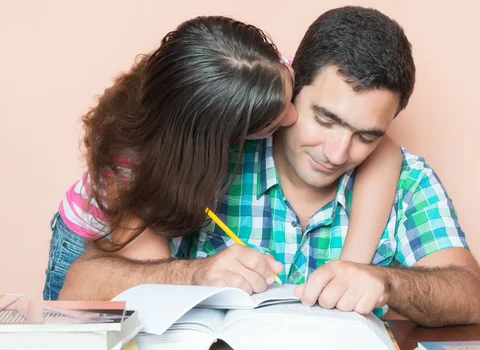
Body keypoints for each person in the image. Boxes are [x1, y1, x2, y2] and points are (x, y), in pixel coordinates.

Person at [171, 6, 480, 327]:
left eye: (366, 136)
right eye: (325, 121)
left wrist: (388, 283)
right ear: (293, 88)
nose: (338, 154)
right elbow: (123, 269)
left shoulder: (409, 181)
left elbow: (472, 297)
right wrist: (192, 274)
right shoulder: (219, 151)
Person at [47, 15, 403, 300]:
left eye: (289, 96)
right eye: (272, 123)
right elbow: (153, 279)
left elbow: (382, 144)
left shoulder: (259, 75)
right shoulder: (137, 167)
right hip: (94, 247)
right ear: (220, 138)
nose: (291, 118)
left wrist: (350, 268)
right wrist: (205, 275)